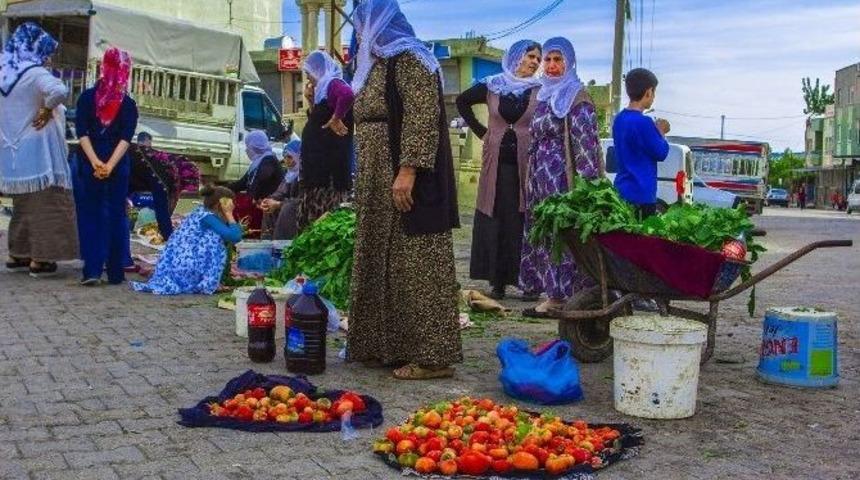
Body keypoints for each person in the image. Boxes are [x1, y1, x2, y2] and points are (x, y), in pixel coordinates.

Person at [347, 0, 461, 380]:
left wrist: (408, 169)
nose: (359, 30)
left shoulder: (411, 58)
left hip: (404, 171)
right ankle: (387, 345)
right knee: (382, 256)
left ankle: (433, 356)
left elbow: (422, 115)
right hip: (375, 171)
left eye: (363, 22)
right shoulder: (375, 63)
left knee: (417, 260)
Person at [519, 37, 602, 318]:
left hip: (563, 182)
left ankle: (565, 296)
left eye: (558, 60)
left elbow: (586, 147)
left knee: (564, 238)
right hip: (540, 179)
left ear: (569, 63)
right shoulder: (543, 95)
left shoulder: (577, 98)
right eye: (548, 60)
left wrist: (587, 188)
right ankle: (552, 292)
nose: (552, 66)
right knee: (544, 235)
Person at [456, 39, 542, 300]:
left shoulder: (540, 90)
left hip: (526, 167)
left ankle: (527, 281)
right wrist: (482, 131)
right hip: (496, 166)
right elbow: (462, 101)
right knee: (496, 218)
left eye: (538, 58)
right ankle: (497, 282)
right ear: (517, 57)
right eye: (531, 56)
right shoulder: (494, 85)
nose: (535, 62)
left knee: (522, 219)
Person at [0, 22, 79, 277]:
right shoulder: (34, 73)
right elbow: (59, 90)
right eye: (44, 52)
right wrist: (46, 109)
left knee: (22, 205)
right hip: (39, 152)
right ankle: (41, 259)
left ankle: (17, 254)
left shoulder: (4, 70)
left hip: (10, 152)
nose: (46, 58)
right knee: (47, 205)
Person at [72, 47, 138, 286]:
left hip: (89, 165)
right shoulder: (128, 104)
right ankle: (115, 272)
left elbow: (81, 132)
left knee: (91, 215)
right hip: (117, 166)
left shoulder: (87, 98)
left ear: (104, 67)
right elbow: (126, 137)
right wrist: (110, 165)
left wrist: (95, 162)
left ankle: (91, 270)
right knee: (115, 215)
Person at [131, 186, 241, 295]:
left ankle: (205, 281)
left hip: (178, 266)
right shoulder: (208, 217)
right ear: (221, 204)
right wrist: (229, 214)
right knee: (216, 243)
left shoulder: (199, 212)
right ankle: (207, 283)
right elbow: (235, 236)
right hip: (186, 269)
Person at [298, 50, 354, 228]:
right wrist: (311, 102)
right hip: (317, 174)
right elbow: (319, 124)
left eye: (309, 73)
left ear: (318, 70)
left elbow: (348, 95)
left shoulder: (332, 83)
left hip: (328, 176)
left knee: (322, 225)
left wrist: (337, 118)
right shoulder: (324, 91)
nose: (309, 79)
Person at [612, 68, 670, 219]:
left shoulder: (619, 119)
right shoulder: (644, 122)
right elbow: (661, 152)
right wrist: (661, 132)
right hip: (642, 195)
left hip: (621, 191)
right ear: (648, 92)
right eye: (654, 92)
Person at [229, 130, 284, 238]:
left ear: (255, 146)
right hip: (259, 204)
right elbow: (243, 183)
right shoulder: (257, 162)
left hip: (266, 205)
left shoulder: (269, 160)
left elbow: (261, 179)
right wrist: (221, 189)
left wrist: (252, 197)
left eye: (248, 146)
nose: (246, 149)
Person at [260, 139, 302, 240]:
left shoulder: (305, 176)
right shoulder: (290, 174)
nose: (286, 161)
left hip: (299, 214)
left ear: (300, 157)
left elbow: (303, 201)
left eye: (290, 157)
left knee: (287, 209)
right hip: (287, 209)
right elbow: (280, 193)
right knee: (269, 209)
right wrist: (268, 201)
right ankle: (268, 243)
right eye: (285, 157)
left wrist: (278, 204)